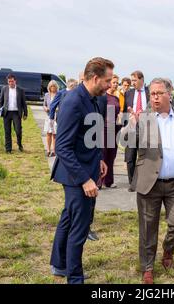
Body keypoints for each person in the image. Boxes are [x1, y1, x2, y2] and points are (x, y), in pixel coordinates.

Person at [123, 77, 174, 284]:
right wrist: (131, 126)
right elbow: (124, 140)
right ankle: (147, 267)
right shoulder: (142, 118)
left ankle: (168, 250)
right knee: (147, 227)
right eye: (152, 93)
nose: (155, 97)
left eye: (159, 93)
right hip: (149, 183)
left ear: (170, 94)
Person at [49, 57, 112, 284]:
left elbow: (90, 136)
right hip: (75, 175)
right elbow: (62, 147)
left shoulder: (95, 99)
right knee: (80, 226)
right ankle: (74, 278)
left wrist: (100, 160)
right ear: (95, 78)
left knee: (68, 217)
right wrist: (85, 179)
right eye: (107, 80)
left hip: (88, 168)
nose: (109, 85)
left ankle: (59, 263)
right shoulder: (73, 101)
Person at [123, 70, 150, 190]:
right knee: (130, 157)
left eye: (134, 80)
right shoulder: (128, 93)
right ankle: (132, 183)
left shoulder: (150, 92)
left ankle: (144, 182)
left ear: (141, 79)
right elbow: (124, 111)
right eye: (131, 80)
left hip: (147, 128)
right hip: (132, 128)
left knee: (145, 157)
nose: (132, 83)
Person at [0, 73, 28, 153]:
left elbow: (24, 103)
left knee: (18, 130)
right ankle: (8, 149)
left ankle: (19, 144)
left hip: (16, 113)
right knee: (7, 131)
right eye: (9, 81)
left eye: (12, 81)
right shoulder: (4, 89)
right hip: (6, 113)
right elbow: (1, 101)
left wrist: (25, 113)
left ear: (15, 81)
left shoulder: (20, 90)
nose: (10, 83)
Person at [102, 74, 121, 188]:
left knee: (111, 155)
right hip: (104, 128)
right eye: (114, 82)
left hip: (114, 128)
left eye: (117, 83)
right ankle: (100, 180)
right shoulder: (103, 97)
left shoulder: (116, 98)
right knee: (103, 154)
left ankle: (108, 181)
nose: (115, 85)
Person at [43, 81, 59, 157]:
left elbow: (61, 105)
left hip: (56, 116)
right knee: (48, 133)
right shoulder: (47, 95)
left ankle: (54, 150)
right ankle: (48, 150)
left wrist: (57, 109)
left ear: (56, 87)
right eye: (51, 86)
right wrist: (46, 108)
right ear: (49, 87)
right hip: (48, 116)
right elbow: (44, 105)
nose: (53, 87)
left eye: (54, 86)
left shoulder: (59, 95)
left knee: (54, 134)